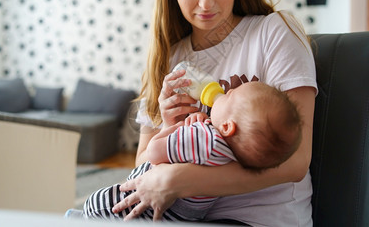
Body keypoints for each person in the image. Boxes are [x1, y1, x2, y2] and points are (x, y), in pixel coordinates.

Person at [112, 0, 317, 225]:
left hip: (261, 218)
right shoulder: (167, 59)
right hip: (183, 217)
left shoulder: (274, 32)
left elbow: (296, 162)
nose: (206, 3)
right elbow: (142, 161)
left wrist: (183, 179)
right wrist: (168, 126)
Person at [82, 81, 303, 221]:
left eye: (230, 95)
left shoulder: (206, 139)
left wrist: (175, 126)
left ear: (226, 127)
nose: (226, 90)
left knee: (93, 203)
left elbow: (154, 152)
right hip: (174, 217)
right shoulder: (229, 156)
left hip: (133, 208)